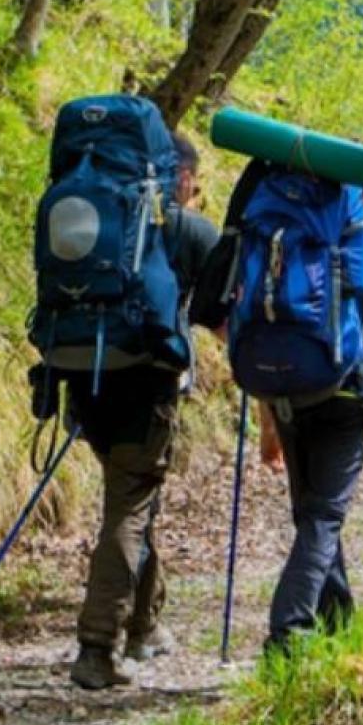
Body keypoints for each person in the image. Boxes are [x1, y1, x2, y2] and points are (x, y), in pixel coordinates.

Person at [64, 134, 219, 690]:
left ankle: (146, 626)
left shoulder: (92, 218)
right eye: (195, 185)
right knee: (128, 509)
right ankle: (96, 646)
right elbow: (228, 315)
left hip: (83, 380)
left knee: (132, 496)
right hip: (145, 388)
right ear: (181, 177)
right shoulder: (188, 230)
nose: (195, 195)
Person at [258, 191, 363, 653]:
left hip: (287, 392)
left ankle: (339, 626)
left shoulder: (285, 229)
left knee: (314, 515)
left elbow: (260, 321)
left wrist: (267, 418)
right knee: (323, 517)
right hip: (345, 395)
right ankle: (287, 632)